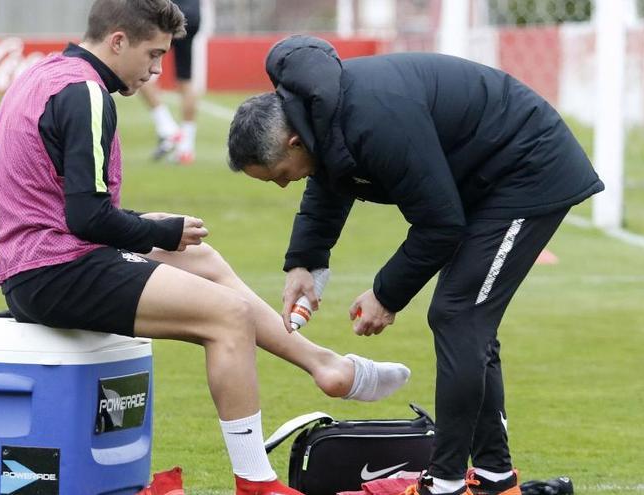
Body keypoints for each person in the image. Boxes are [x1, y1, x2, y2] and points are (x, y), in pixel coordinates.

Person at [0, 5, 411, 495]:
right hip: (54, 268)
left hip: (40, 257)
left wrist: (156, 230)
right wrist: (161, 232)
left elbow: (70, 208)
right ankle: (256, 482)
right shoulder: (85, 93)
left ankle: (325, 365)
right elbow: (88, 218)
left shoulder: (46, 71)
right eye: (153, 54)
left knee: (203, 260)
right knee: (227, 315)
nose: (156, 70)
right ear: (118, 42)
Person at [227, 35, 604, 495]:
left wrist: (386, 294)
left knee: (458, 313)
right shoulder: (318, 113)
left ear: (292, 141)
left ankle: (445, 484)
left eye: (281, 175)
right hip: (484, 180)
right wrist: (306, 263)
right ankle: (494, 478)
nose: (285, 185)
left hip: (527, 169)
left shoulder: (371, 120)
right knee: (464, 318)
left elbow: (441, 225)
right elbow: (330, 181)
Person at [138, 0, 200, 164]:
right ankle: (186, 148)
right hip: (193, 15)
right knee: (185, 80)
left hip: (167, 15)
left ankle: (168, 129)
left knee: (139, 71)